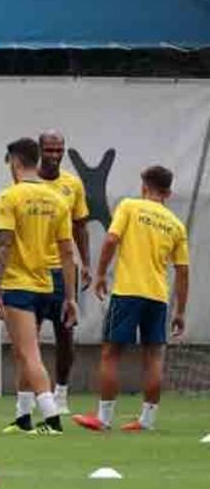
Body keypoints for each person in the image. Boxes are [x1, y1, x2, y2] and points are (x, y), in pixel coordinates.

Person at [73, 166, 189, 432]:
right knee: (154, 357)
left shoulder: (130, 207)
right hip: (158, 296)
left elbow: (111, 240)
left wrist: (101, 274)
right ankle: (146, 420)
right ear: (168, 193)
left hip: (127, 292)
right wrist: (180, 311)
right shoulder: (175, 224)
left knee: (111, 353)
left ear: (143, 187)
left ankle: (103, 418)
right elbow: (183, 271)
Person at [0, 138, 77, 436]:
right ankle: (23, 416)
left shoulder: (10, 197)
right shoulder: (58, 200)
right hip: (46, 284)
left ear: (15, 163)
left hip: (19, 284)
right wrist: (70, 296)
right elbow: (67, 252)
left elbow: (3, 244)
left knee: (29, 354)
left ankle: (52, 419)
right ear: (36, 161)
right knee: (23, 353)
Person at [37, 130, 92, 414]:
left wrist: (87, 264)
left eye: (59, 150)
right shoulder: (26, 182)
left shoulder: (72, 184)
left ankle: (61, 393)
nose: (55, 156)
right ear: (39, 150)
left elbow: (80, 227)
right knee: (27, 338)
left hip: (63, 269)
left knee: (66, 334)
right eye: (49, 150)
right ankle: (28, 397)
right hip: (32, 269)